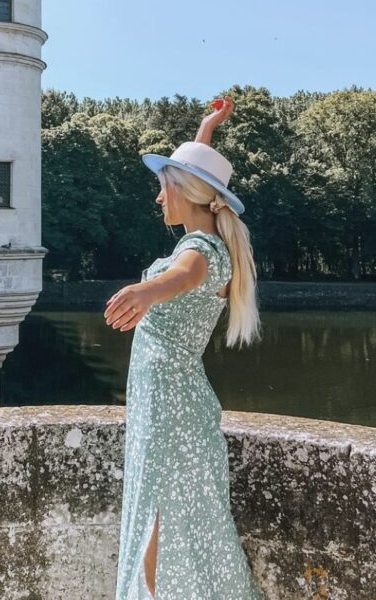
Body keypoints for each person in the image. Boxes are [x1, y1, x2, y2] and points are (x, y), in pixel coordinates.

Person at [107, 98, 265, 600]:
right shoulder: (211, 237)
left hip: (169, 405)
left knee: (157, 518)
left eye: (164, 186)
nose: (159, 200)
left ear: (186, 191)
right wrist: (206, 129)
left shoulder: (201, 252)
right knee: (182, 521)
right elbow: (200, 202)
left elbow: (183, 276)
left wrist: (146, 291)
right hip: (175, 400)